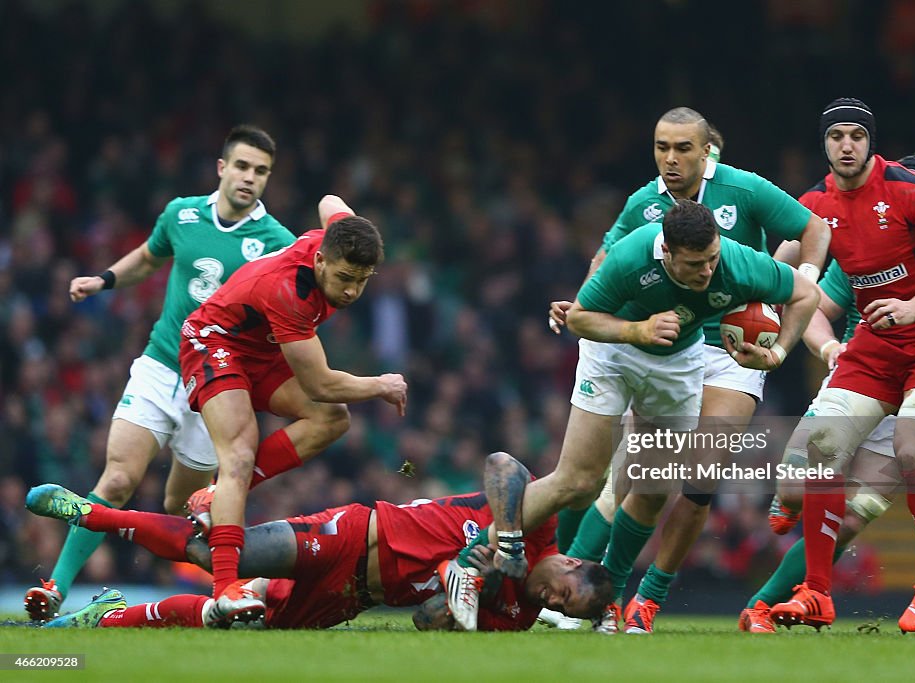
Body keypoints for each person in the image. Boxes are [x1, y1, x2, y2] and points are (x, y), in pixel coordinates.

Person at [464, 198, 819, 634]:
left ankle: (606, 598)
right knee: (578, 482)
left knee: (653, 489)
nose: (707, 272)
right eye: (695, 264)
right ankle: (469, 566)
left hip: (675, 363)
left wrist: (778, 353)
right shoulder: (633, 256)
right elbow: (579, 318)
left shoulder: (736, 262)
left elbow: (806, 294)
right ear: (666, 252)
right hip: (614, 353)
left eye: (711, 259)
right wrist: (638, 329)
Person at [546, 107, 830, 633]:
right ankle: (590, 592)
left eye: (683, 149)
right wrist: (586, 303)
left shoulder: (744, 190)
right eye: (663, 149)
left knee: (698, 476)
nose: (671, 160)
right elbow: (608, 260)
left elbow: (813, 228)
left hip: (733, 346)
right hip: (669, 346)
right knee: (636, 475)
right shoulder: (643, 203)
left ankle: (648, 597)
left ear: (707, 153)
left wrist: (798, 283)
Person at [25, 125, 298, 622]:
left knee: (180, 503)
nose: (249, 178)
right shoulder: (181, 213)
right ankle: (54, 589)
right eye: (241, 166)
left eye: (260, 171)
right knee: (118, 479)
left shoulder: (279, 243)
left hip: (214, 385)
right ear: (222, 167)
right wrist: (103, 279)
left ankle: (191, 591)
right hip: (159, 366)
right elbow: (150, 258)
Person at [739, 153, 915, 633]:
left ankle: (764, 604)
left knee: (851, 516)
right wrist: (827, 345)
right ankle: (791, 511)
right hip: (865, 370)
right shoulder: (865, 242)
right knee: (797, 483)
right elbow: (813, 306)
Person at [25, 451, 613, 630]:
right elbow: (503, 464)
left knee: (232, 620)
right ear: (572, 563)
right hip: (354, 535)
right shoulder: (537, 526)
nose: (552, 604)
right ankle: (93, 513)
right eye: (565, 593)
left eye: (564, 611)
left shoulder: (516, 613)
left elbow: (427, 622)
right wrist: (505, 537)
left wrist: (474, 587)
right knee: (218, 554)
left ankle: (105, 619)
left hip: (349, 597)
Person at [176, 194, 408, 624]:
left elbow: (329, 200)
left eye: (362, 280)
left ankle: (220, 493)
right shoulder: (291, 293)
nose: (352, 291)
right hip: (213, 341)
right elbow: (319, 384)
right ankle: (225, 588)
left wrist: (352, 221)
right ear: (320, 261)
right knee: (240, 453)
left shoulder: (340, 238)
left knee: (332, 420)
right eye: (343, 278)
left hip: (258, 348)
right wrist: (381, 384)